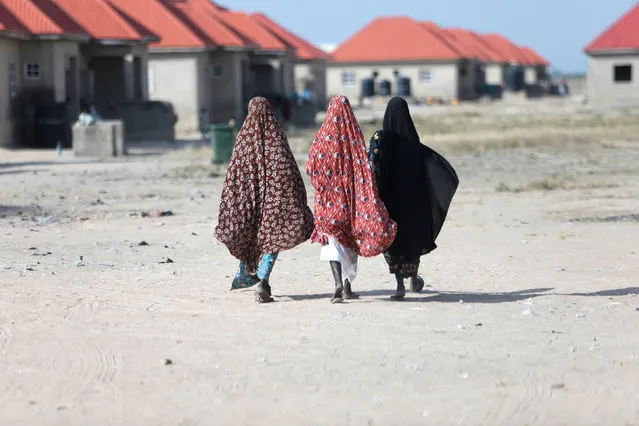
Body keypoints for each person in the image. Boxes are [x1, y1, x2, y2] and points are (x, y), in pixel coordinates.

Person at [215, 97, 314, 303]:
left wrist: (235, 202)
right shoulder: (276, 137)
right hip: (275, 205)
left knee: (252, 238)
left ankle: (256, 277)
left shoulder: (244, 140)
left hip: (249, 203)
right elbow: (290, 172)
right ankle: (264, 280)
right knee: (272, 240)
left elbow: (234, 175)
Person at [306, 95, 397, 303]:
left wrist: (324, 185)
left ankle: (338, 282)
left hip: (327, 203)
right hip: (351, 202)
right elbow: (365, 169)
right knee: (350, 242)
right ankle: (347, 286)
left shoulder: (320, 138)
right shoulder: (354, 138)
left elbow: (310, 167)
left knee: (332, 243)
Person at [368, 97, 459, 300]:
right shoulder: (412, 140)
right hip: (414, 202)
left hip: (390, 201)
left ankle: (399, 285)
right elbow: (428, 166)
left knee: (395, 242)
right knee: (413, 239)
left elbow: (371, 166)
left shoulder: (379, 139)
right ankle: (413, 280)